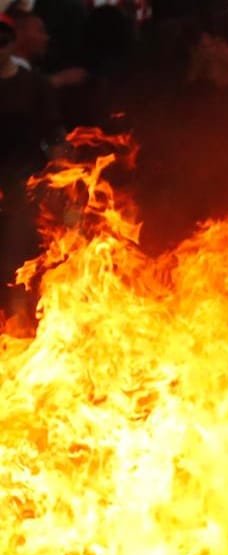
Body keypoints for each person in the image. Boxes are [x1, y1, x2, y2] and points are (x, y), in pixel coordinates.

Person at [0, 13, 62, 327]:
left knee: (18, 264)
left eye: (3, 40)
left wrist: (62, 185)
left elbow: (54, 136)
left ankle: (19, 329)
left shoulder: (33, 85)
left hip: (25, 189)